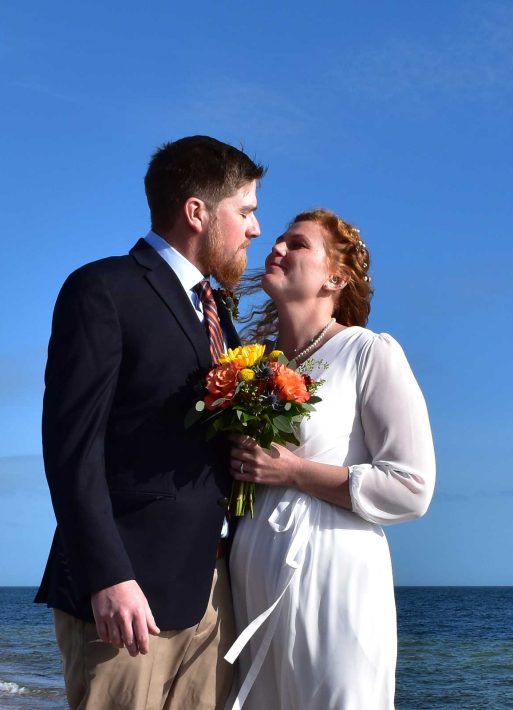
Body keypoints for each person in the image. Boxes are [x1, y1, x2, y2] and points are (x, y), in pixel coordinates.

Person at [35, 135, 264, 709]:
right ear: (197, 213)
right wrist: (108, 575)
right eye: (245, 211)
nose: (254, 230)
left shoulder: (219, 317)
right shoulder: (104, 290)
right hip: (124, 598)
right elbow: (72, 449)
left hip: (214, 593)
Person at [225, 209, 435, 709]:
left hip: (333, 573)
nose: (276, 248)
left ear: (335, 277)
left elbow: (412, 487)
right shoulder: (253, 364)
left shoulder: (369, 352)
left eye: (296, 244)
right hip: (251, 573)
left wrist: (292, 470)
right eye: (276, 240)